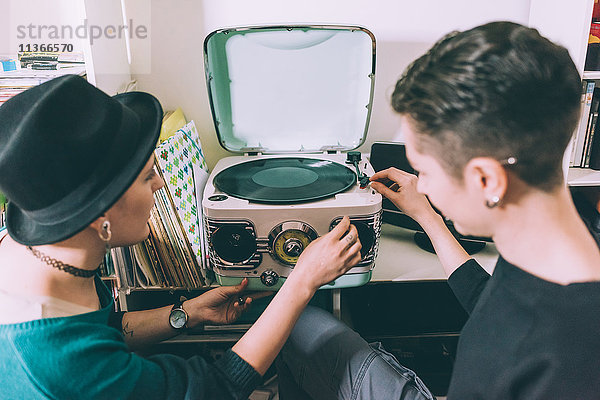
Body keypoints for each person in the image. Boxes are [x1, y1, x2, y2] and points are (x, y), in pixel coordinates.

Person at [276, 21, 600, 399]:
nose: (421, 185)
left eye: (425, 171)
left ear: (486, 181)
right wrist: (426, 215)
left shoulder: (521, 354)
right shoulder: (560, 240)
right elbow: (492, 300)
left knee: (292, 326)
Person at [0, 74, 362, 399]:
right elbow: (215, 389)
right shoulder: (60, 361)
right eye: (147, 177)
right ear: (101, 215)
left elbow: (106, 329)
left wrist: (187, 312)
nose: (160, 183)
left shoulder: (39, 249)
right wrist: (301, 282)